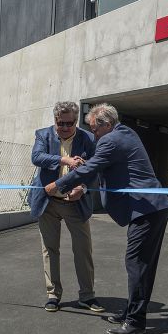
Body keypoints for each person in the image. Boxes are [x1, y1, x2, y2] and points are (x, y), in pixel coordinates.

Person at [45, 104, 168, 334]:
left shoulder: (110, 140)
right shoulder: (126, 132)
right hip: (150, 208)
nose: (93, 135)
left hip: (146, 209)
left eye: (94, 129)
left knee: (137, 264)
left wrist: (58, 185)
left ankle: (135, 321)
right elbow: (100, 166)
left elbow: (91, 168)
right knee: (138, 264)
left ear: (107, 125)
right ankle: (131, 312)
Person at [28, 101, 104, 313]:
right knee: (50, 250)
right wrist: (65, 160)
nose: (64, 127)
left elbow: (95, 170)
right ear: (55, 120)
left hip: (76, 204)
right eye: (60, 123)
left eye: (69, 123)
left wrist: (83, 188)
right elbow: (37, 157)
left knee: (83, 249)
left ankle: (87, 296)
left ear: (77, 120)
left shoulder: (88, 138)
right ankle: (53, 295)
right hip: (48, 202)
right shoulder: (43, 135)